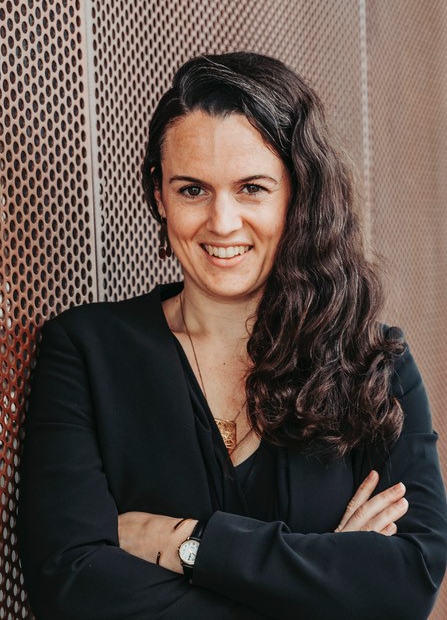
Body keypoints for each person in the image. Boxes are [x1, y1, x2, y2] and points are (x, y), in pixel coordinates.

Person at [18, 52, 447, 620]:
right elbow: (69, 585)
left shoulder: (371, 364)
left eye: (252, 188)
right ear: (159, 196)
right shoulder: (85, 352)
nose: (221, 222)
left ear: (298, 194)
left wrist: (189, 545)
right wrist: (325, 584)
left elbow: (408, 582)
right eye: (192, 189)